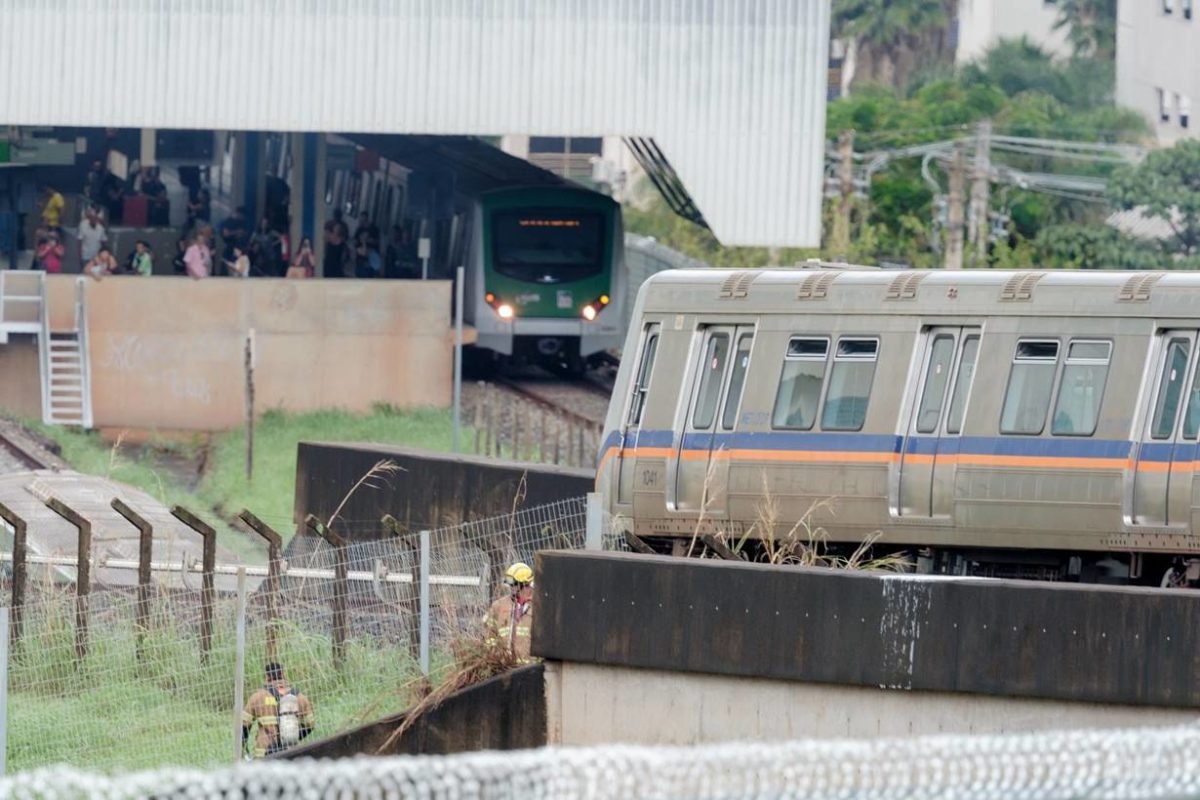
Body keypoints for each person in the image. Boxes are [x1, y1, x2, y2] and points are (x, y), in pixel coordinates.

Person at [242, 662, 314, 759]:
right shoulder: (299, 697)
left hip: (264, 755)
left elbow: (244, 726)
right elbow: (310, 725)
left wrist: (244, 748)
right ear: (283, 675)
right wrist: (295, 736)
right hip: (290, 753)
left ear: (267, 677)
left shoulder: (258, 697)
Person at [484, 562, 535, 661]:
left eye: (514, 585)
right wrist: (495, 657)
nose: (511, 588)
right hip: (504, 668)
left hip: (531, 670)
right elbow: (489, 635)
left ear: (524, 584)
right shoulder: (498, 606)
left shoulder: (540, 607)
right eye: (510, 585)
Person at [324, 209, 350, 278]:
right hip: (335, 249)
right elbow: (346, 238)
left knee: (331, 266)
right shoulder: (343, 225)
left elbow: (325, 236)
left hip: (334, 249)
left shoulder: (330, 223)